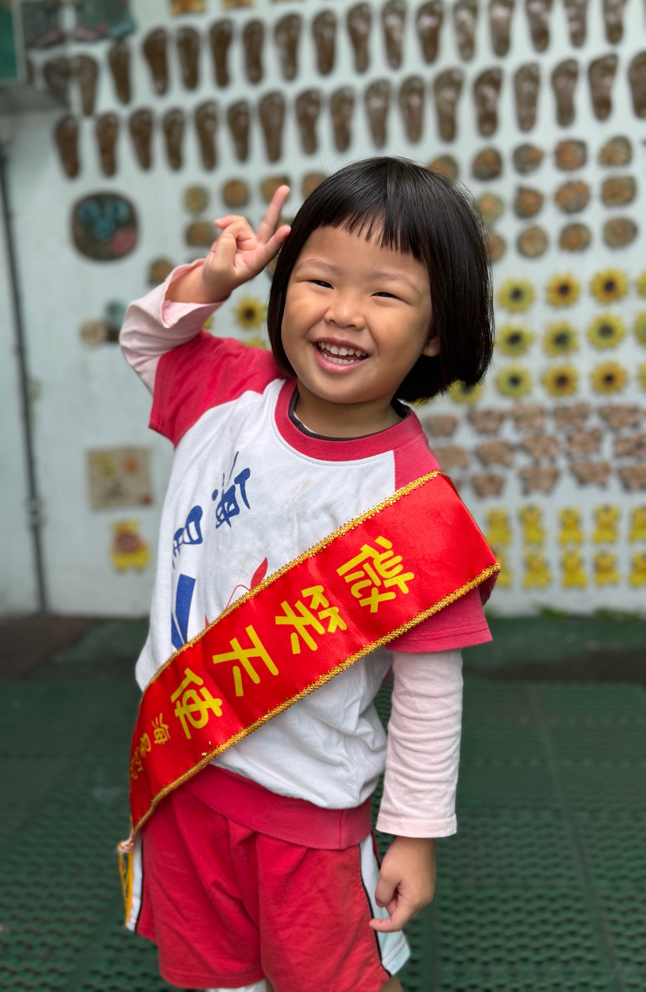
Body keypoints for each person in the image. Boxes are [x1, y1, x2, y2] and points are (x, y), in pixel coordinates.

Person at [118, 157, 496, 992]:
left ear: (438, 331)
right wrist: (210, 282)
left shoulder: (415, 506)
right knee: (212, 978)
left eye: (385, 294)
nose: (343, 312)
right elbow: (146, 338)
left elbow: (430, 693)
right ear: (283, 287)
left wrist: (414, 834)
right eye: (319, 280)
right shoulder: (228, 390)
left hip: (309, 813)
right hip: (182, 774)